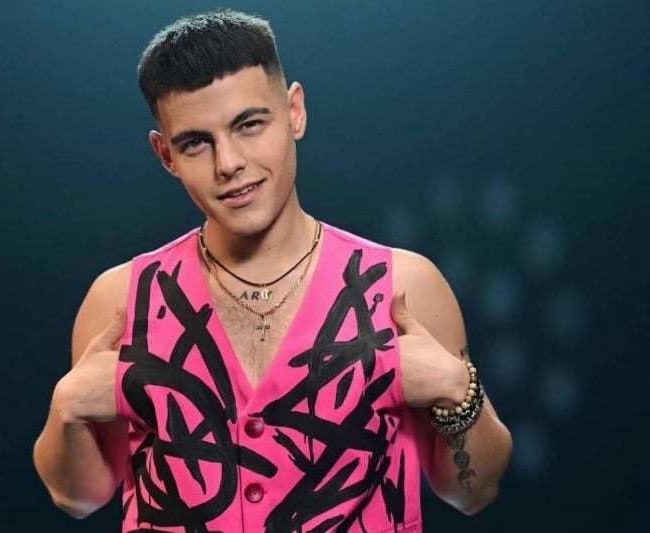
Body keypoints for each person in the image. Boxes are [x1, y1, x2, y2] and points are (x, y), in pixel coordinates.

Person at [33, 9, 512, 532]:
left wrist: (455, 389)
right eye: (195, 142)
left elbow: (474, 492)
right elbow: (78, 498)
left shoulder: (403, 286)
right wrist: (67, 409)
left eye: (249, 125)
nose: (228, 163)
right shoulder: (121, 300)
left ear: (294, 112)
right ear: (165, 154)